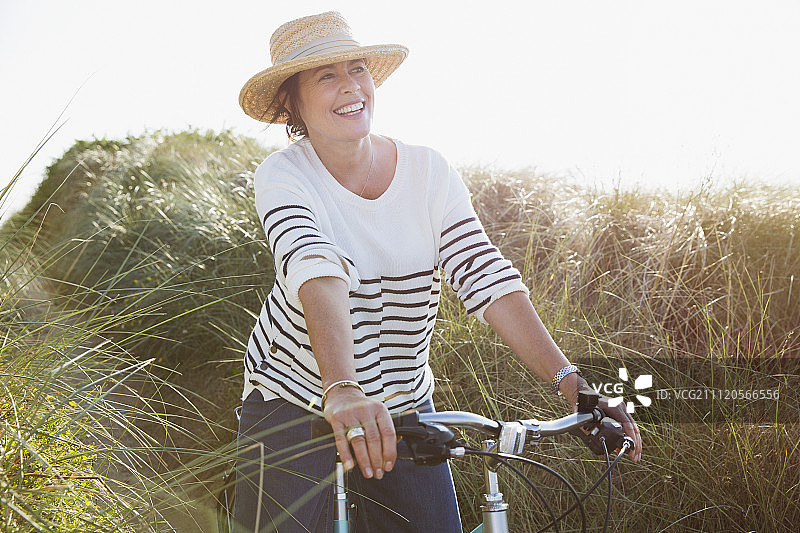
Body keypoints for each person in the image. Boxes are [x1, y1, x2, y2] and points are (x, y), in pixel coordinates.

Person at [234, 11, 642, 533]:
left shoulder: (428, 171)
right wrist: (342, 388)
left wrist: (575, 385)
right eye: (326, 76)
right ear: (292, 101)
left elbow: (485, 274)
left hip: (403, 401)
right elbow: (316, 269)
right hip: (295, 397)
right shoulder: (284, 175)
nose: (351, 86)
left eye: (357, 69)